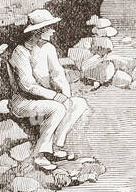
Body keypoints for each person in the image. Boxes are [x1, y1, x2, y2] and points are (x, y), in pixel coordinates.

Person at [6, 9, 89, 171]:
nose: (53, 31)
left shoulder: (49, 48)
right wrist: (56, 97)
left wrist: (66, 96)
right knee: (57, 107)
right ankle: (40, 154)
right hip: (24, 101)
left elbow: (58, 74)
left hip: (47, 98)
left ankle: (57, 146)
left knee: (79, 104)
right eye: (49, 28)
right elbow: (27, 85)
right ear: (39, 31)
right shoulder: (20, 52)